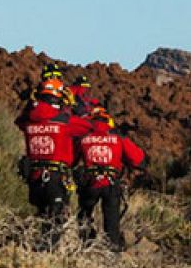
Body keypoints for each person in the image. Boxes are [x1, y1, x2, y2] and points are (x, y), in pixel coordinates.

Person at [18, 72, 93, 222]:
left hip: (34, 177)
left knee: (41, 217)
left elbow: (19, 120)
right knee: (55, 222)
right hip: (55, 178)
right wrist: (73, 107)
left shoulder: (28, 120)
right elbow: (87, 127)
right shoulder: (64, 121)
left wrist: (31, 104)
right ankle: (46, 246)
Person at [73, 106, 146, 248]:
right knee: (112, 223)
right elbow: (138, 159)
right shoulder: (118, 137)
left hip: (90, 183)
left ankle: (85, 246)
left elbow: (71, 159)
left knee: (84, 216)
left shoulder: (84, 138)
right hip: (111, 184)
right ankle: (112, 253)